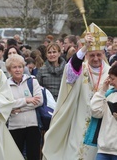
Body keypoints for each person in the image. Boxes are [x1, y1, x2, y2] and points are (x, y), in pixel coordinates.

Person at [42, 23, 110, 160]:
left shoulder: (110, 72)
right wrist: (84, 47)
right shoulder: (81, 68)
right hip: (80, 122)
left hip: (104, 126)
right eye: (92, 55)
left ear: (103, 54)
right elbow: (70, 72)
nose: (96, 58)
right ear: (86, 55)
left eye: (98, 55)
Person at [5, 54, 43, 160]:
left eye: (20, 67)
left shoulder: (32, 81)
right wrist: (26, 100)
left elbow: (39, 101)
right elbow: (7, 104)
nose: (18, 70)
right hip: (14, 126)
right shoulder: (5, 85)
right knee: (15, 156)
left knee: (34, 156)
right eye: (14, 67)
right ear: (9, 70)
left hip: (33, 125)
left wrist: (20, 109)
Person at [90, 64, 117, 160]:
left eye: (112, 79)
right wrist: (102, 91)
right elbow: (95, 112)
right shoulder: (108, 94)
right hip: (103, 149)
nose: (110, 82)